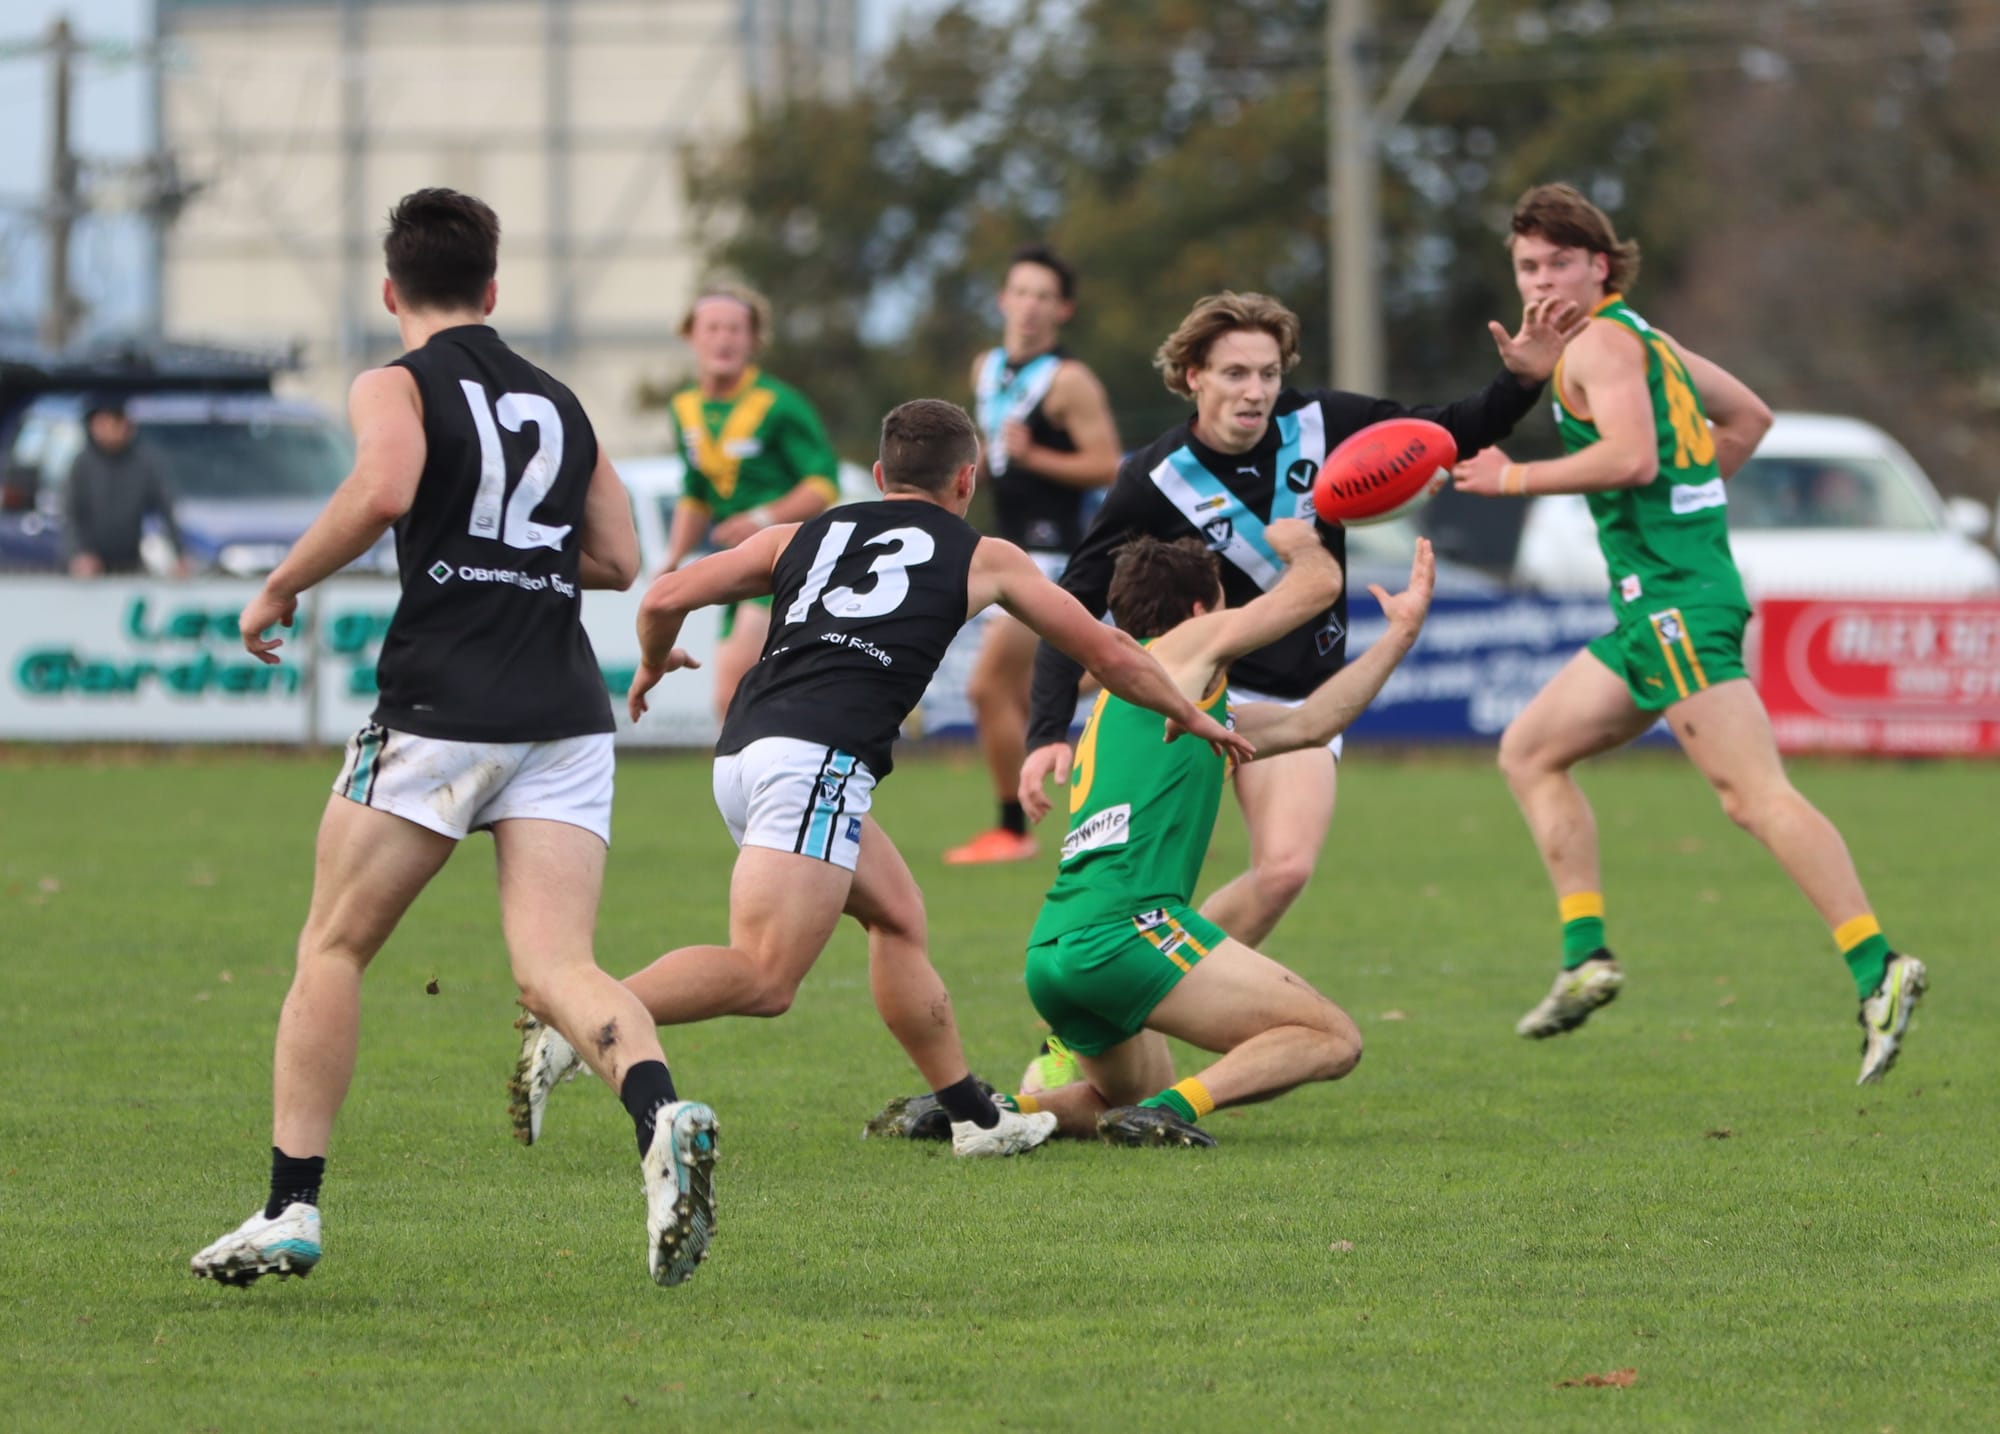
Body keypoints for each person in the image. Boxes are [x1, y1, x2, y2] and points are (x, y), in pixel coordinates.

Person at [191, 188, 718, 1293]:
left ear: (391, 292)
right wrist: (515, 550)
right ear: (491, 290)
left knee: (332, 949)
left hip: (442, 709)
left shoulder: (394, 382)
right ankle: (660, 1115)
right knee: (558, 967)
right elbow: (621, 561)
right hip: (563, 716)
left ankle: (291, 1209)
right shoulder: (563, 404)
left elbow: (383, 487)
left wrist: (281, 583)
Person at [511, 399, 1254, 1159]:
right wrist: (1190, 713)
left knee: (898, 914)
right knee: (766, 977)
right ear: (968, 479)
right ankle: (587, 1015)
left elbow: (665, 595)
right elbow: (1110, 653)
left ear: (877, 475)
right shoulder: (985, 555)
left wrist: (650, 661)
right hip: (816, 763)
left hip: (745, 754)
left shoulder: (803, 533)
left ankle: (974, 1115)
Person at [1450, 182, 1926, 1083]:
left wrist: (1513, 482)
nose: (1541, 279)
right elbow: (1749, 418)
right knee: (1529, 750)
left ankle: (1879, 967)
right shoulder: (1647, 341)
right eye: (1527, 266)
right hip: (1656, 605)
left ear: (1600, 264)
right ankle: (1586, 954)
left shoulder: (1600, 347)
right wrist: (1689, 504)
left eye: (1558, 262)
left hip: (1674, 602)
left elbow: (1631, 457)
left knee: (1753, 797)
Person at [1021, 289, 1584, 958]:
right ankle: (1104, 1006)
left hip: (1298, 697)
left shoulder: (1324, 423)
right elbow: (1074, 600)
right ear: (1193, 376)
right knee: (1140, 880)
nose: (1254, 390)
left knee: (1284, 871)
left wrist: (1521, 380)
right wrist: (1047, 730)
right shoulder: (1155, 479)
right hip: (1202, 692)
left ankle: (1149, 987)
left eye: (1267, 373)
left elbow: (1446, 432)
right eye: (1235, 373)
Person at [869, 521, 1436, 1146]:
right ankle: (1170, 1112)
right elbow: (1315, 587)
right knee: (1331, 1038)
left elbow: (1314, 724)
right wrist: (1301, 537)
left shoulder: (1149, 703)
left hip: (1056, 951)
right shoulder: (1181, 646)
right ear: (1200, 608)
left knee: (1120, 1096)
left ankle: (986, 1108)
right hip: (1128, 931)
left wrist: (1401, 635)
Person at [944, 245, 1122, 864]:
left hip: (1053, 559)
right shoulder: (986, 369)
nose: (1030, 306)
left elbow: (1108, 465)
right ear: (1003, 300)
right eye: (1021, 292)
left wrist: (1034, 456)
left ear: (1063, 309)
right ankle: (1121, 674)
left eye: (1044, 296)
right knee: (1014, 692)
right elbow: (995, 460)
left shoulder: (1069, 381)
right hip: (1003, 552)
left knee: (988, 687)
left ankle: (1011, 829)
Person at [659, 285, 842, 726]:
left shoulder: (779, 404)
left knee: (734, 689)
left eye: (736, 329)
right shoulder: (684, 407)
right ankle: (758, 787)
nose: (724, 339)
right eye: (713, 328)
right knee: (733, 702)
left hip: (785, 561)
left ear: (754, 339)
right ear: (691, 337)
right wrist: (673, 558)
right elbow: (696, 492)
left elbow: (824, 484)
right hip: (737, 563)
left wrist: (762, 519)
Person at [63, 397, 188, 577]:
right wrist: (78, 555)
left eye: (115, 422)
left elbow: (166, 509)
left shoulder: (144, 463)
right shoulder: (81, 464)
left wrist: (179, 554)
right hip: (88, 569)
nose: (109, 429)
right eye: (102, 423)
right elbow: (70, 515)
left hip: (129, 563)